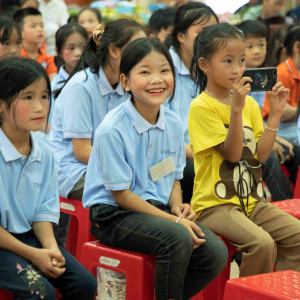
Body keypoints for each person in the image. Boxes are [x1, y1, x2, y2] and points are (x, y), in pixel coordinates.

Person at [83, 37, 228, 300]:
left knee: (214, 251)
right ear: (126, 81)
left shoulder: (172, 123)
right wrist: (174, 221)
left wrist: (176, 206)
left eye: (164, 70)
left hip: (154, 208)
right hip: (112, 215)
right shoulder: (112, 129)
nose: (157, 79)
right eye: (145, 72)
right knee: (178, 237)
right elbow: (122, 196)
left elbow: (171, 175)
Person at [189, 22, 300, 277]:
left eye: (241, 60)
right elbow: (233, 155)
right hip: (215, 205)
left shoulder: (248, 102)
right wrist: (236, 109)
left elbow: (260, 157)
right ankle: (251, 292)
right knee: (262, 244)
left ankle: (279, 291)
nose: (238, 69)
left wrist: (275, 115)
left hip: (252, 200)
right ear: (205, 64)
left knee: (297, 236)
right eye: (227, 61)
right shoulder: (202, 107)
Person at [0, 57, 97, 299]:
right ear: (1, 104)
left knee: (85, 284)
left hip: (29, 237)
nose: (40, 107)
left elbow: (43, 212)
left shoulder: (44, 154)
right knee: (40, 292)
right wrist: (34, 255)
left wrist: (51, 248)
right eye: (28, 97)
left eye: (44, 96)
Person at [49, 19, 146, 247]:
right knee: (132, 195)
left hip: (109, 165)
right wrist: (128, 168)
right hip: (72, 170)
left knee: (159, 185)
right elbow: (82, 151)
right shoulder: (82, 86)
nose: (144, 54)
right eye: (137, 46)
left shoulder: (127, 84)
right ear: (113, 50)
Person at [237, 20, 299, 202]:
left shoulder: (264, 76)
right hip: (244, 136)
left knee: (295, 151)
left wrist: (276, 139)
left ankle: (295, 203)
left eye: (261, 45)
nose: (257, 51)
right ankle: (285, 205)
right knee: (270, 157)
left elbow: (260, 116)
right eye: (250, 46)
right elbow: (245, 119)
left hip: (263, 132)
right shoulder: (238, 78)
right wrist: (273, 140)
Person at [164, 2, 218, 203]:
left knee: (261, 159)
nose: (210, 39)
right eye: (202, 32)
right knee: (206, 170)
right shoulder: (163, 68)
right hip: (166, 158)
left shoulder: (208, 66)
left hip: (203, 150)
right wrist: (203, 152)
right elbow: (164, 135)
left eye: (214, 31)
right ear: (180, 36)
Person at [264, 26, 300, 148]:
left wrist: (294, 112)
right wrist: (297, 112)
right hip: (279, 127)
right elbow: (282, 113)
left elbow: (291, 112)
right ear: (297, 47)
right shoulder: (282, 73)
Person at [14, 7, 57, 80]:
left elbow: (53, 79)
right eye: (33, 26)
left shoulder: (47, 57)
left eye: (42, 26)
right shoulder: (16, 56)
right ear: (20, 32)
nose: (40, 29)